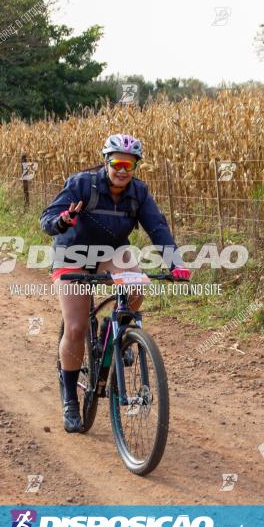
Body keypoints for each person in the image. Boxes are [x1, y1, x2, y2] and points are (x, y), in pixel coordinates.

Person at [40, 133, 190, 432]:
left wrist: (175, 263)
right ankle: (70, 398)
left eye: (130, 165)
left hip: (111, 252)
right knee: (77, 326)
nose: (123, 170)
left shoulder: (139, 193)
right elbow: (48, 217)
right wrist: (62, 221)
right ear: (106, 161)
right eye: (118, 163)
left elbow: (157, 228)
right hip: (73, 251)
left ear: (135, 167)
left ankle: (118, 329)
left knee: (137, 286)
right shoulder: (82, 184)